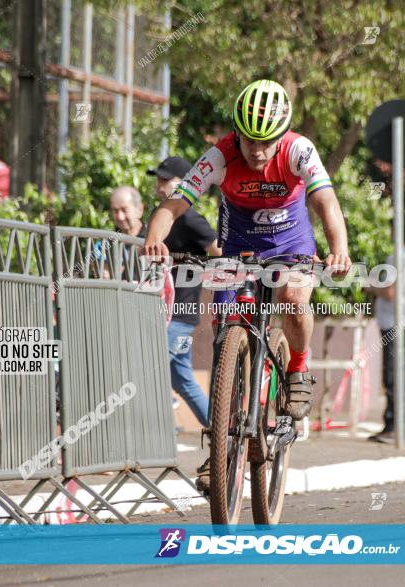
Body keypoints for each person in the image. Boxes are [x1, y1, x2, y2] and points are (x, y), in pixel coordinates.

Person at [142, 79, 352, 492]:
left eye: (265, 141)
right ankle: (220, 449)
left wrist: (339, 250)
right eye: (247, 141)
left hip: (291, 244)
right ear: (235, 134)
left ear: (281, 134)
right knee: (225, 337)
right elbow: (175, 203)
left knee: (292, 298)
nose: (256, 151)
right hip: (238, 246)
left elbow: (325, 202)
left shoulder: (298, 150)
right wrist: (154, 237)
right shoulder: (220, 155)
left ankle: (296, 368)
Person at [147, 156, 221, 428]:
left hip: (178, 317)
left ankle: (143, 438)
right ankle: (222, 436)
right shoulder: (162, 215)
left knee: (146, 372)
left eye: (165, 180)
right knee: (183, 380)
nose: (160, 184)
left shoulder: (190, 218)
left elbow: (219, 252)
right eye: (159, 178)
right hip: (167, 314)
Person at [365, 220, 405, 443]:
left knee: (393, 377)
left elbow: (389, 292)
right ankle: (398, 425)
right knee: (399, 376)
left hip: (395, 323)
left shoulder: (397, 258)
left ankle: (394, 426)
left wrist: (369, 286)